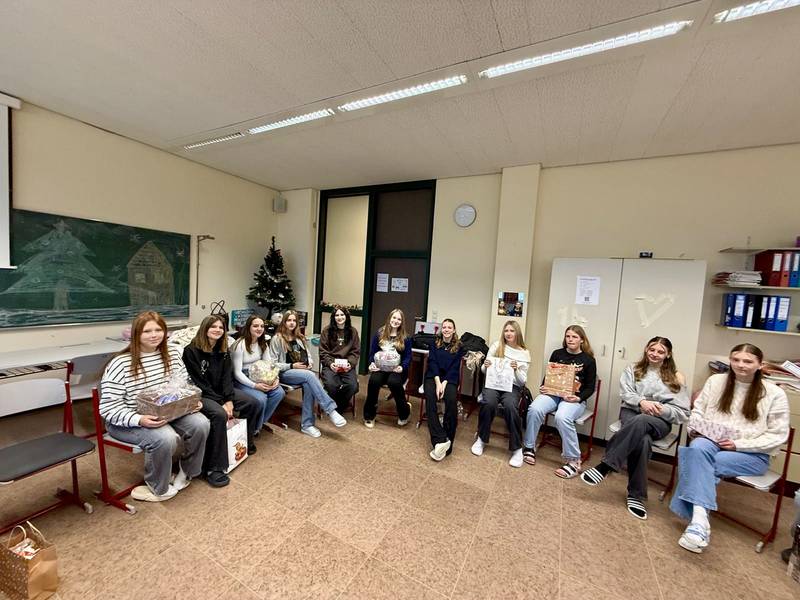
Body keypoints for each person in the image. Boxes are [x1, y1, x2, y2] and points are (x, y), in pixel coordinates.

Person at [669, 343, 789, 554]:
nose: (741, 365)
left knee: (699, 463)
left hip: (751, 454)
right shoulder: (716, 381)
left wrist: (739, 445)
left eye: (748, 361)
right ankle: (700, 521)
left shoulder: (774, 393)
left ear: (760, 365)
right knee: (697, 447)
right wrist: (695, 428)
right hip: (712, 441)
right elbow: (697, 411)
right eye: (736, 360)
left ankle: (698, 520)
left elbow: (778, 435)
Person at [100, 311, 210, 502]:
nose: (154, 335)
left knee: (201, 424)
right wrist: (139, 419)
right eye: (147, 331)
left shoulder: (173, 353)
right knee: (166, 438)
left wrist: (190, 401)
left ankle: (186, 472)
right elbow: (108, 408)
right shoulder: (120, 363)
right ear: (136, 334)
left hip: (167, 411)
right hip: (128, 420)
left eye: (158, 330)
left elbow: (184, 384)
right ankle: (158, 487)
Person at [580, 336, 690, 519]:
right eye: (652, 349)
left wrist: (661, 409)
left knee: (642, 421)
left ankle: (606, 466)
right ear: (646, 349)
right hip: (632, 412)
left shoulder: (676, 377)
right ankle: (636, 496)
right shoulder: (633, 369)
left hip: (659, 420)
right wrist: (642, 402)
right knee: (643, 440)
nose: (655, 354)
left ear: (668, 354)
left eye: (661, 351)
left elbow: (683, 412)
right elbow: (626, 393)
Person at [183, 314, 261, 488]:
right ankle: (213, 467)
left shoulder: (223, 349)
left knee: (252, 403)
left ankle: (245, 442)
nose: (217, 330)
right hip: (201, 394)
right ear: (205, 328)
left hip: (220, 392)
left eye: (221, 327)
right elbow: (199, 383)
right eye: (213, 327)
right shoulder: (191, 351)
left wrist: (229, 399)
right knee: (219, 414)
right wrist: (222, 402)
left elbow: (226, 378)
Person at [522, 325, 597, 478]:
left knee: (562, 417)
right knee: (534, 408)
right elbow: (549, 375)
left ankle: (574, 461)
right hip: (553, 394)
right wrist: (544, 386)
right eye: (568, 336)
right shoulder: (557, 354)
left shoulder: (589, 360)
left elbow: (590, 387)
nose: (570, 339)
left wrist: (579, 398)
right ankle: (529, 447)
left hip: (573, 398)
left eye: (574, 337)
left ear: (582, 340)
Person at [270, 309, 347, 437]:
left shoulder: (299, 337)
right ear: (284, 322)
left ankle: (307, 425)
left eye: (294, 320)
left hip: (302, 373)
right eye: (289, 320)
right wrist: (291, 365)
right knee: (310, 376)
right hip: (284, 373)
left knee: (308, 383)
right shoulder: (277, 339)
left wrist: (310, 362)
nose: (292, 323)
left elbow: (308, 355)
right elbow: (272, 364)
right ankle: (331, 410)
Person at [471, 320, 531, 467]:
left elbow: (522, 381)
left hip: (512, 386)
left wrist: (516, 370)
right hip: (493, 384)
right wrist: (485, 366)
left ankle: (517, 448)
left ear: (517, 333)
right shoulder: (497, 346)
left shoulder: (524, 353)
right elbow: (485, 371)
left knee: (510, 406)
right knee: (489, 403)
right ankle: (481, 439)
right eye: (506, 330)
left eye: (512, 331)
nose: (508, 333)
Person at [230, 314, 285, 434]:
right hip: (242, 378)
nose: (259, 329)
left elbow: (269, 365)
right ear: (248, 327)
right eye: (255, 326)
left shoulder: (262, 343)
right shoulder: (239, 345)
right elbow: (237, 372)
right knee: (261, 398)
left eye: (261, 326)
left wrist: (275, 378)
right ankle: (254, 427)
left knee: (279, 392)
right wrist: (255, 386)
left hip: (259, 374)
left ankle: (257, 424)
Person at [362, 308, 413, 428]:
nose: (396, 321)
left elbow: (408, 357)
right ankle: (369, 415)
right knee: (374, 381)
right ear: (389, 318)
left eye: (399, 319)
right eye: (394, 317)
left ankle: (404, 413)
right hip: (380, 368)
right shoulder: (379, 333)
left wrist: (402, 367)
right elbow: (372, 353)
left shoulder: (406, 337)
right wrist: (371, 363)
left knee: (394, 382)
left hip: (397, 370)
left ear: (402, 322)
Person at [425, 318, 466, 461]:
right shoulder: (434, 343)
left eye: (449, 327)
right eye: (444, 327)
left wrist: (445, 382)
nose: (446, 329)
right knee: (430, 399)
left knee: (451, 400)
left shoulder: (459, 346)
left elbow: (454, 367)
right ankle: (440, 440)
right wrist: (438, 382)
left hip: (450, 378)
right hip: (433, 376)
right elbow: (432, 363)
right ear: (441, 329)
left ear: (454, 330)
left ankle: (449, 439)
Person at [319, 306, 360, 414]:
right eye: (337, 315)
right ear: (333, 317)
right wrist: (330, 363)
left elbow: (355, 352)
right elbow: (323, 352)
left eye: (342, 314)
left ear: (346, 316)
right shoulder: (326, 331)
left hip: (347, 365)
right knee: (331, 385)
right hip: (331, 365)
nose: (339, 317)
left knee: (352, 386)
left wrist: (350, 364)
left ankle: (338, 407)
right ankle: (337, 406)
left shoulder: (353, 332)